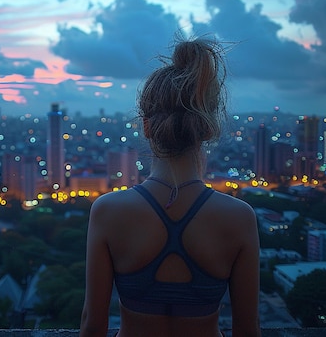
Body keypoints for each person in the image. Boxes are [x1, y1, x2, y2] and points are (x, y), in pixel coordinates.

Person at [80, 37, 261, 337]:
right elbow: (248, 329)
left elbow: (93, 325)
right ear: (206, 129)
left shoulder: (108, 212)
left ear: (147, 127)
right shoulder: (238, 217)